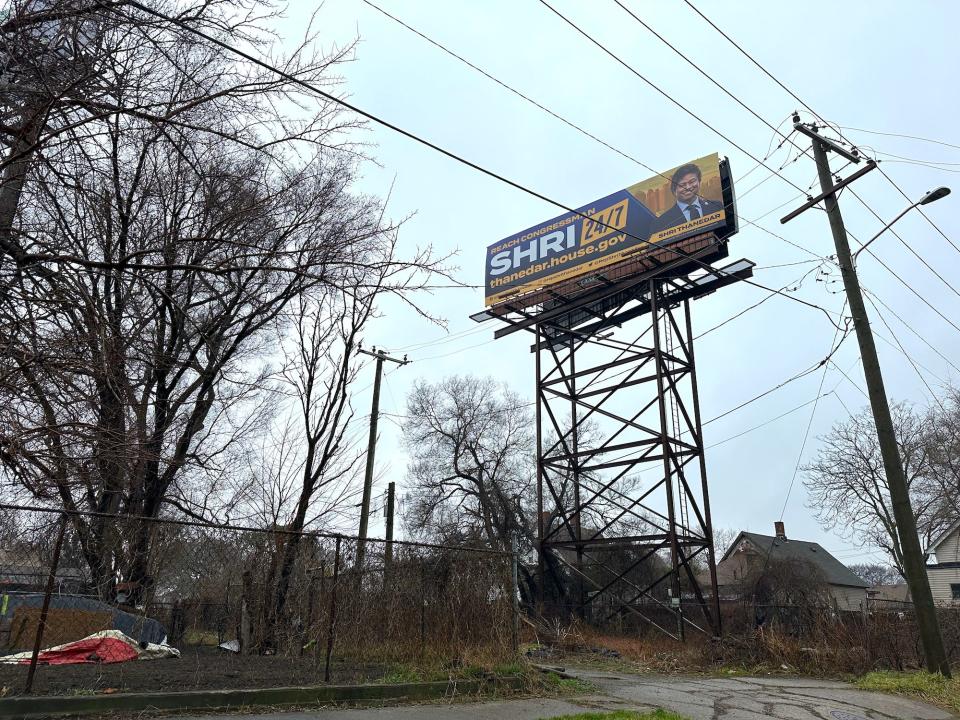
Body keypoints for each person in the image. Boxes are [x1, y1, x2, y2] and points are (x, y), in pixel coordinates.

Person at [650, 163, 722, 234]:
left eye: (692, 181)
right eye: (682, 185)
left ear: (699, 182)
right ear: (674, 190)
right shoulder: (662, 221)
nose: (688, 187)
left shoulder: (716, 206)